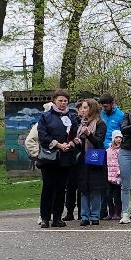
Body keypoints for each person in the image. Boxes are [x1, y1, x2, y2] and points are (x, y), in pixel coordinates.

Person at [35, 90, 80, 228]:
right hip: (50, 157)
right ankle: (45, 217)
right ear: (54, 100)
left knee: (61, 189)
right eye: (60, 100)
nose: (62, 103)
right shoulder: (46, 117)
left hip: (66, 158)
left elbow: (76, 135)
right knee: (48, 187)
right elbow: (42, 136)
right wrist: (58, 145)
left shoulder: (72, 117)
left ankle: (57, 217)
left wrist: (70, 144)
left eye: (65, 101)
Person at [75, 100, 109, 226]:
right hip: (83, 160)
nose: (82, 110)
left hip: (95, 158)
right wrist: (77, 142)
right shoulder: (81, 124)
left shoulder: (100, 124)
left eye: (85, 108)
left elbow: (99, 143)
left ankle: (95, 215)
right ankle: (84, 216)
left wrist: (89, 134)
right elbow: (80, 142)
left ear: (92, 109)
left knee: (95, 189)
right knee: (84, 188)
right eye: (82, 108)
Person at [98, 93, 126, 219]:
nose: (104, 108)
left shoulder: (120, 115)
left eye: (106, 106)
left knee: (115, 185)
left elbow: (123, 132)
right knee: (103, 183)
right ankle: (104, 210)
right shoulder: (100, 114)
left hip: (116, 152)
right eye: (102, 106)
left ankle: (117, 211)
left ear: (112, 103)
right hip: (102, 150)